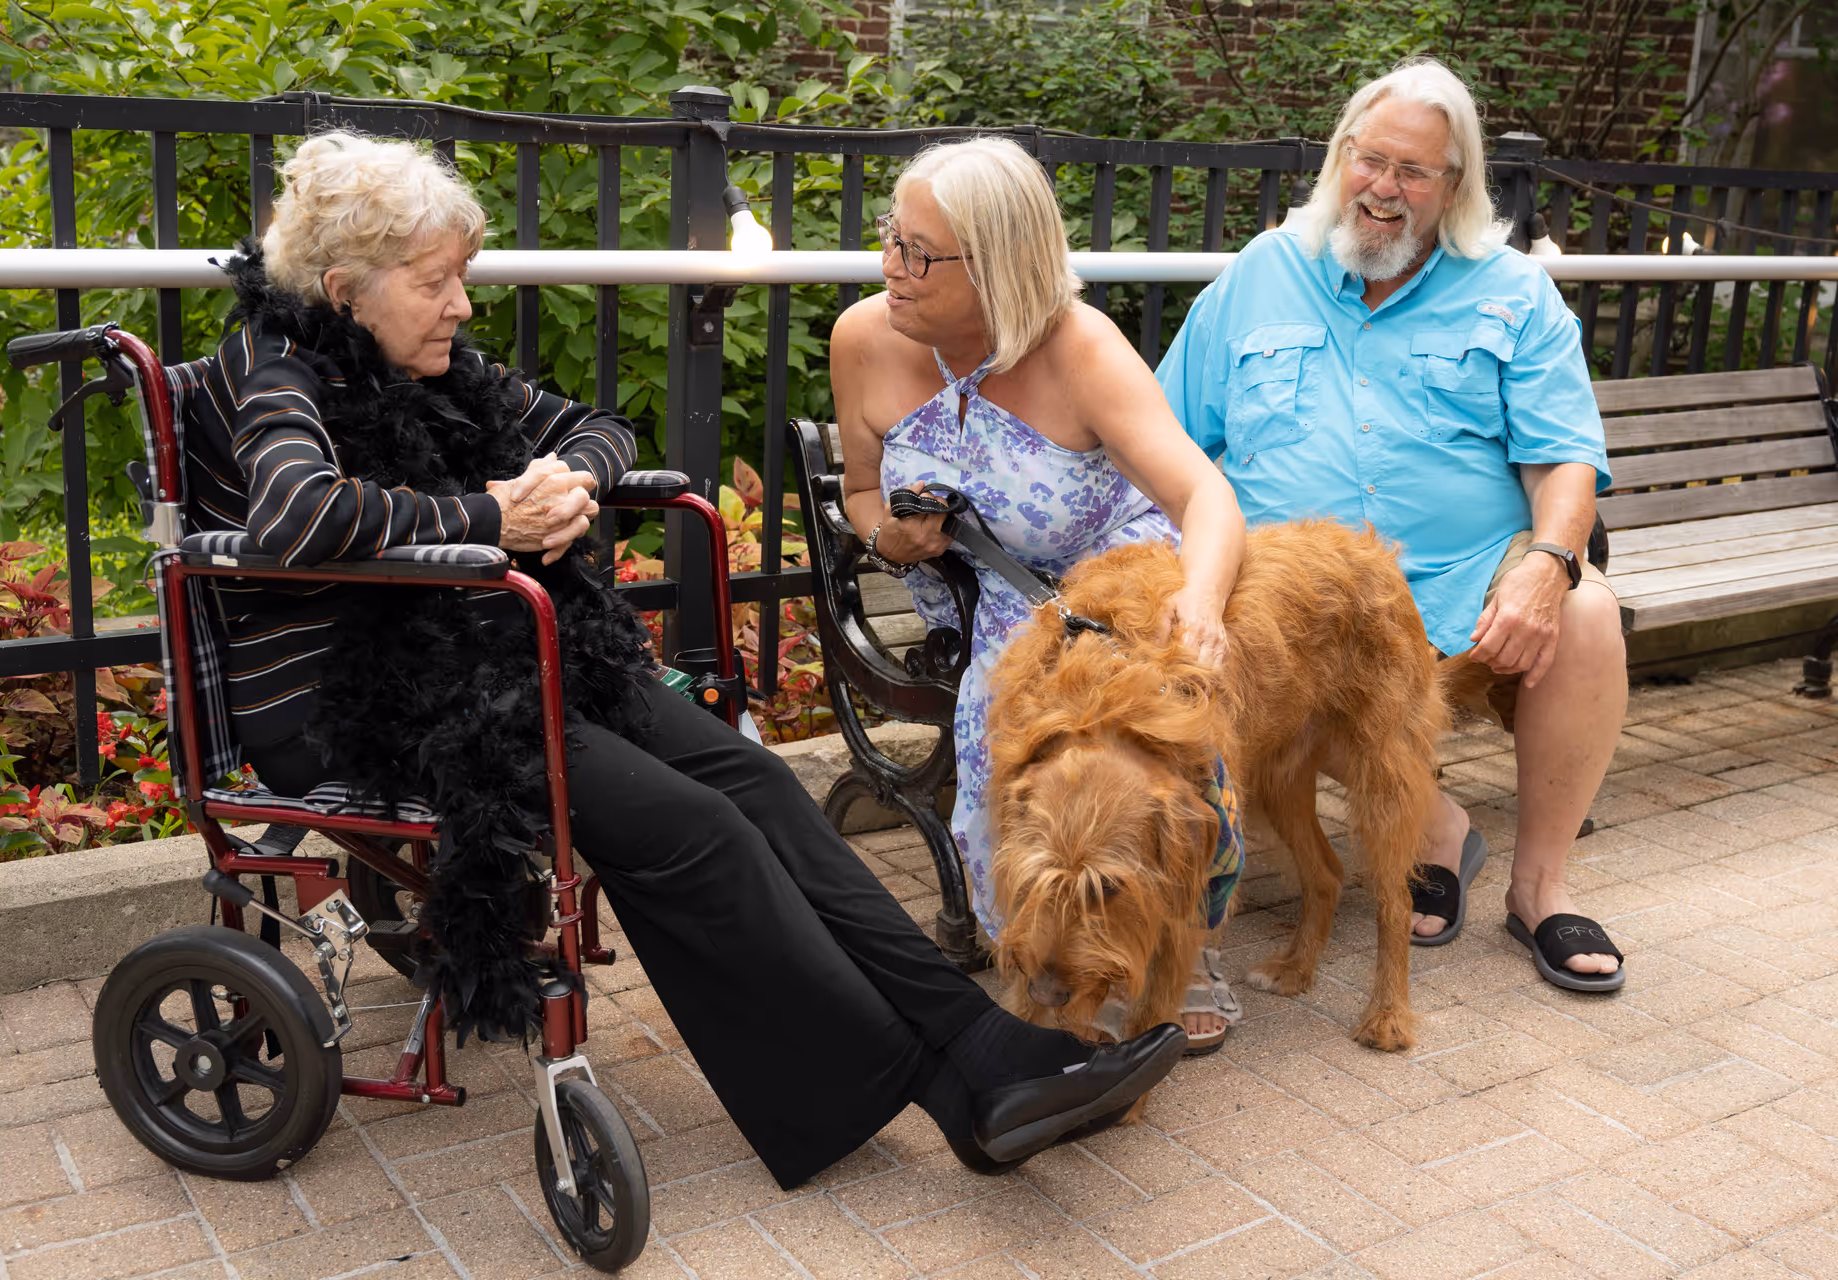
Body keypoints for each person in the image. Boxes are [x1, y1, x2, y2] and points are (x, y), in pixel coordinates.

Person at [178, 130, 1187, 1190]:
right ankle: (956, 1094)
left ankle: (982, 1042)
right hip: (351, 702)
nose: (462, 304)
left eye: (461, 277)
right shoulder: (277, 362)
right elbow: (295, 510)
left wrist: (564, 480)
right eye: (435, 283)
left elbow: (601, 426)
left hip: (492, 656)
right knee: (697, 831)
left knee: (752, 777)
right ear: (341, 290)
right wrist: (492, 513)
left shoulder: (431, 365)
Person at [1155, 59, 1628, 993]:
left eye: (1415, 173)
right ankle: (1438, 828)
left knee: (1587, 614)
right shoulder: (1259, 277)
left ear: (1455, 186)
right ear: (1341, 160)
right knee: (1275, 652)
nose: (1385, 190)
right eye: (1371, 162)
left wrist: (1547, 563)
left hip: (1460, 584)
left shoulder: (1512, 292)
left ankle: (1539, 886)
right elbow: (1165, 441)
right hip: (1304, 601)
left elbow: (1567, 456)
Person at [831, 138, 1250, 1051]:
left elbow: (1205, 496)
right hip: (987, 586)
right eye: (891, 241)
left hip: (1112, 569)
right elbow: (859, 492)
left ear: (997, 266)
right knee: (1002, 719)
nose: (891, 270)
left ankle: (1179, 941)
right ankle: (1034, 949)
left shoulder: (1079, 349)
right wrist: (887, 535)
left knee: (1161, 725)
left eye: (919, 254)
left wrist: (1204, 604)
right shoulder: (864, 339)